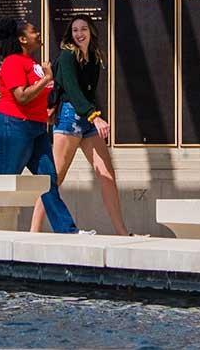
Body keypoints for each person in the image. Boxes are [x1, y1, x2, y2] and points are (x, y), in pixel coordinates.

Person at [0, 17, 77, 233]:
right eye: (33, 31)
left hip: (36, 127)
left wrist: (48, 109)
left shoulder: (33, 64)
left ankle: (67, 231)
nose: (38, 34)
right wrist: (46, 78)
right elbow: (21, 96)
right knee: (8, 180)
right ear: (22, 39)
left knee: (48, 179)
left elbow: (37, 96)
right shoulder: (12, 62)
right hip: (12, 124)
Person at [49, 17, 129, 236]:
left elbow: (88, 93)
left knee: (107, 174)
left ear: (91, 31)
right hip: (69, 117)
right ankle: (33, 231)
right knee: (54, 178)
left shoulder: (94, 57)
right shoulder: (67, 56)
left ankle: (122, 232)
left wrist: (91, 116)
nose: (79, 33)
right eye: (75, 30)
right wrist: (95, 116)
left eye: (83, 28)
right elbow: (73, 91)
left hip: (87, 118)